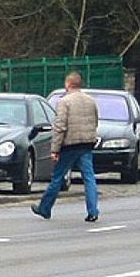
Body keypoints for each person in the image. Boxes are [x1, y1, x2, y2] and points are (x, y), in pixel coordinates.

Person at [31, 71, 101, 222]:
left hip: (70, 145)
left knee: (57, 177)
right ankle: (93, 211)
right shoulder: (90, 100)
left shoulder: (64, 102)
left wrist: (55, 149)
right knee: (89, 177)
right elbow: (95, 121)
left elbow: (60, 127)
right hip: (87, 144)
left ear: (68, 84)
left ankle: (45, 208)